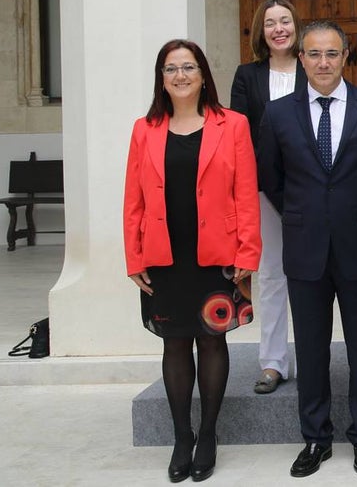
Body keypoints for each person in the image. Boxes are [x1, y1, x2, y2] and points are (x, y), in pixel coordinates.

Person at [258, 21, 357, 478]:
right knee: (313, 347)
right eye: (314, 54)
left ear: (346, 58)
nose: (323, 62)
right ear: (300, 58)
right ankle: (315, 438)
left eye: (332, 54)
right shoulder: (278, 114)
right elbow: (272, 179)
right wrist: (305, 213)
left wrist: (355, 214)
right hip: (305, 248)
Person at [124, 39, 261, 482]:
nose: (180, 75)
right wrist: (134, 255)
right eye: (170, 69)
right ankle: (182, 437)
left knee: (212, 341)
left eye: (188, 67)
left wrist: (248, 251)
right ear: (161, 79)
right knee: (175, 343)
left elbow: (246, 193)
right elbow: (134, 200)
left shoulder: (233, 124)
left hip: (218, 255)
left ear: (203, 75)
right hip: (164, 254)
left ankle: (208, 434)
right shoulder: (144, 129)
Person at [230, 0, 307, 396]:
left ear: (296, 27)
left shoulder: (312, 68)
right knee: (273, 276)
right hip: (263, 190)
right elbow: (238, 136)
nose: (279, 29)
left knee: (312, 277)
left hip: (307, 188)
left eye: (286, 21)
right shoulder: (248, 76)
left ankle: (312, 358)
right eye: (271, 23)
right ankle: (273, 362)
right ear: (261, 31)